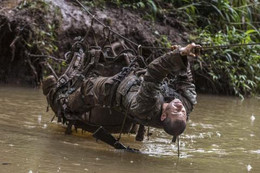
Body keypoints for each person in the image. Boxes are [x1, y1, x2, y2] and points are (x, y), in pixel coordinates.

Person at [42, 43, 199, 141]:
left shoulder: (147, 106)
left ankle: (61, 102)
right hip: (136, 87)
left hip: (114, 91)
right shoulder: (187, 104)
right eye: (183, 112)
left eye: (176, 111)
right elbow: (186, 80)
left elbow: (154, 73)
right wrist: (184, 56)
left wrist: (176, 55)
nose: (181, 108)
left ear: (164, 115)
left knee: (87, 87)